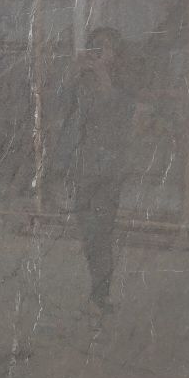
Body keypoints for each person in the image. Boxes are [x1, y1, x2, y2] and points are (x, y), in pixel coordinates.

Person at [56, 27, 136, 316]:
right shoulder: (83, 81)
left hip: (109, 171)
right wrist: (71, 74)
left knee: (102, 233)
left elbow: (119, 114)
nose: (99, 52)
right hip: (83, 168)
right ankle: (98, 294)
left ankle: (99, 297)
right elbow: (61, 109)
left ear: (116, 53)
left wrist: (102, 75)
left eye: (105, 47)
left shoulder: (123, 82)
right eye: (95, 46)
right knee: (90, 235)